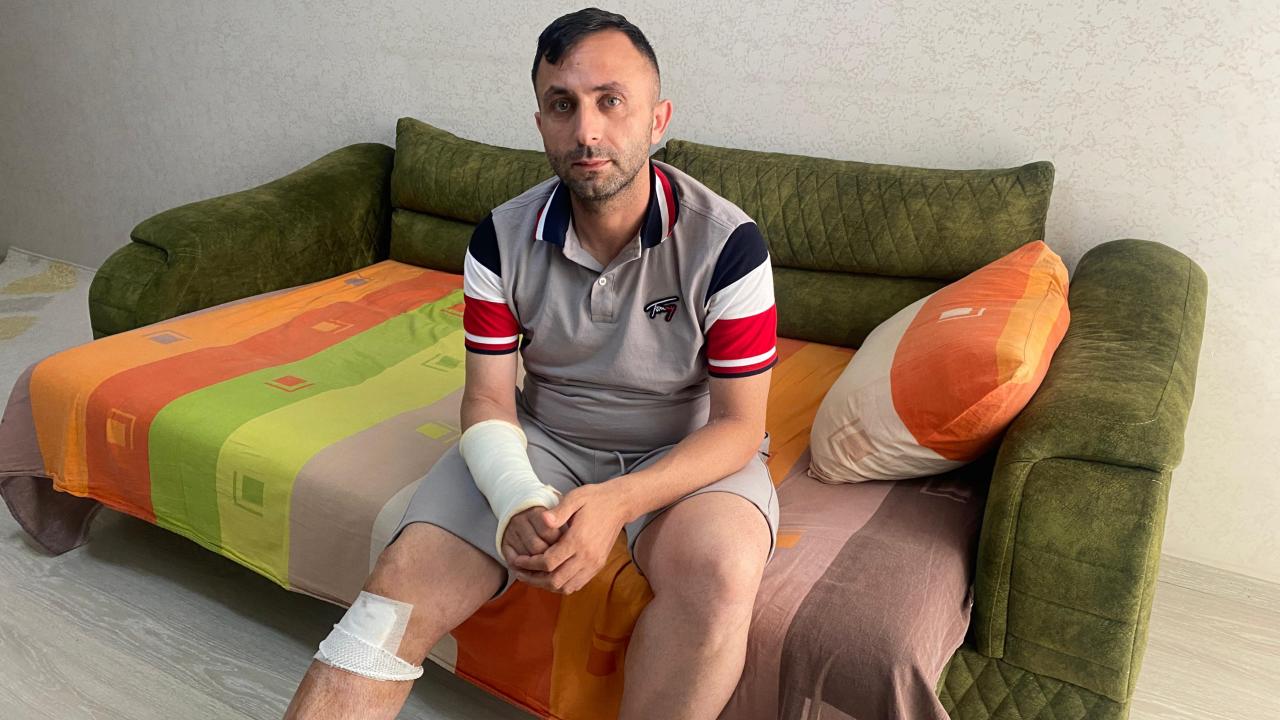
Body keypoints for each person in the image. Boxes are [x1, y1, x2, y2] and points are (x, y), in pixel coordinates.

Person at [283, 7, 779, 720]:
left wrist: (618, 501)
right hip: (545, 438)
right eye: (562, 105)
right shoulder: (499, 238)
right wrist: (516, 495)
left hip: (686, 450)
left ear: (657, 119)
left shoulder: (729, 243)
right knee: (391, 597)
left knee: (722, 574)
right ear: (541, 122)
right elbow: (488, 400)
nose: (588, 131)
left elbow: (738, 426)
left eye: (611, 100)